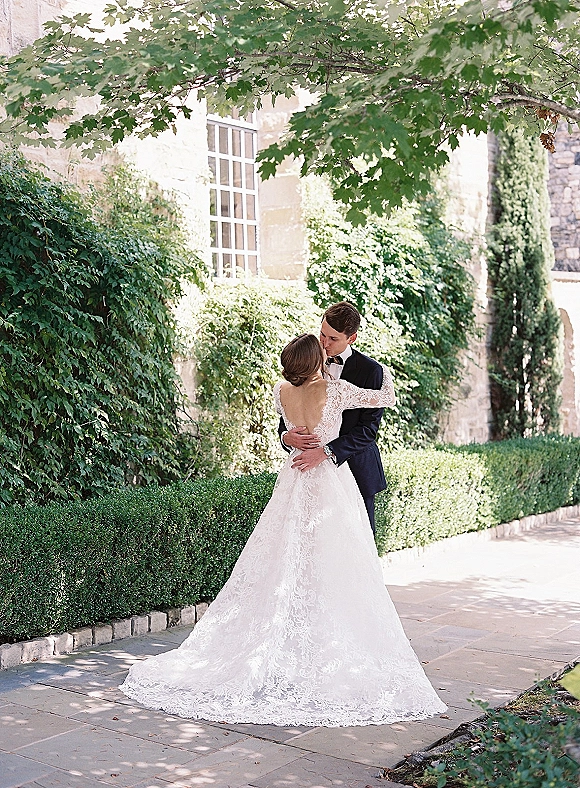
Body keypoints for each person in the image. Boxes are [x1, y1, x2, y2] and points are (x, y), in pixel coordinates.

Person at [119, 334, 446, 727]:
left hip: (293, 478)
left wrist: (292, 438)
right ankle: (321, 645)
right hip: (327, 481)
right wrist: (383, 369)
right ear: (315, 362)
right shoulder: (338, 390)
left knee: (284, 555)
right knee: (337, 562)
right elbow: (386, 397)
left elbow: (289, 429)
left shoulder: (281, 391)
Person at [279, 302, 386, 533]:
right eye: (322, 335)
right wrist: (287, 438)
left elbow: (367, 430)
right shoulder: (305, 359)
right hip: (309, 477)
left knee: (357, 548)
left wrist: (326, 452)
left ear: (352, 338)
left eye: (333, 339)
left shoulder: (371, 371)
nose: (325, 344)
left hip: (355, 471)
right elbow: (286, 416)